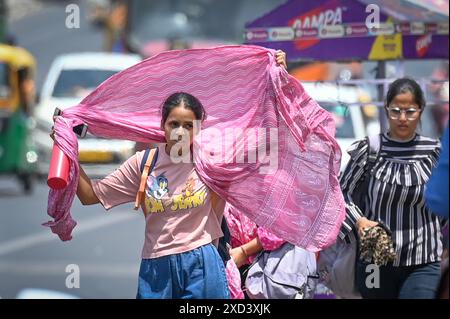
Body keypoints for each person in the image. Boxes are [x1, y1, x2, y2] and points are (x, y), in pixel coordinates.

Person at [50, 51, 288, 299]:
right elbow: (90, 196)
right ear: (162, 125)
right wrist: (69, 152)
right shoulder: (144, 164)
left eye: (188, 125)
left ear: (199, 128)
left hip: (202, 265)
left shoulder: (214, 162)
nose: (180, 132)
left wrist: (277, 78)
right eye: (174, 124)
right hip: (156, 270)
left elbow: (265, 137)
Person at [339, 77, 445, 299]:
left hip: (423, 262)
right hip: (374, 262)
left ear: (421, 110)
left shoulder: (435, 152)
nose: (403, 118)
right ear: (387, 110)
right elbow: (341, 193)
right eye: (396, 111)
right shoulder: (370, 150)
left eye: (410, 112)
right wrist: (360, 222)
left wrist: (434, 231)